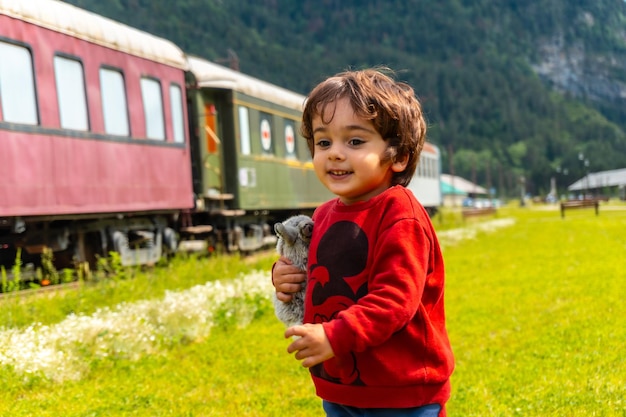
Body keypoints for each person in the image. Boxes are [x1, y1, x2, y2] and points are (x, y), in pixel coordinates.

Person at [272, 67, 454, 417]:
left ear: (398, 156)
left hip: (401, 389)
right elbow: (320, 270)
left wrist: (333, 337)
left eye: (355, 141)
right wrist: (283, 276)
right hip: (342, 385)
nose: (335, 153)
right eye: (323, 142)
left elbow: (395, 299)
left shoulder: (400, 213)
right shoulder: (323, 215)